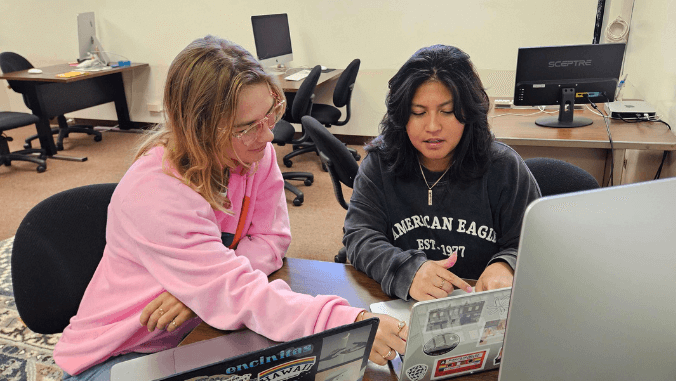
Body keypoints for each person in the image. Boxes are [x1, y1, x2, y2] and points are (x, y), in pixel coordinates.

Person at [53, 35, 407, 380]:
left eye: (271, 113)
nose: (268, 135)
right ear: (199, 129)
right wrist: (349, 322)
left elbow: (272, 238)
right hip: (119, 355)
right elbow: (241, 294)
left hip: (195, 331)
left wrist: (202, 292)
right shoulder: (156, 192)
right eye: (247, 127)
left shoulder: (254, 152)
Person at [343, 44, 540, 302]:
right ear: (401, 116)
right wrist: (408, 271)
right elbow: (359, 236)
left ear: (468, 113)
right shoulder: (380, 163)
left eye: (447, 112)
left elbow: (533, 242)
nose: (433, 126)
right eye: (418, 112)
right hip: (406, 305)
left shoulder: (504, 167)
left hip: (482, 306)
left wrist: (506, 265)